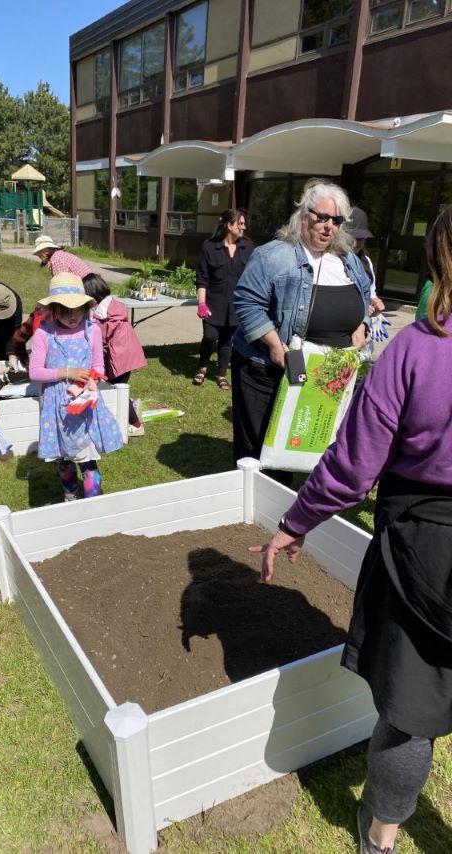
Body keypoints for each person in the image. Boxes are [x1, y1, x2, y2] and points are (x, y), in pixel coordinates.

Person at [250, 203, 452, 854]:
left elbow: (354, 465)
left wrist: (295, 523)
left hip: (425, 543)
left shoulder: (416, 351)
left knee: (411, 707)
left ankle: (380, 836)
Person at [231, 179, 371, 478]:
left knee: (310, 444)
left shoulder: (348, 260)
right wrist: (272, 344)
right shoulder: (274, 255)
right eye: (321, 217)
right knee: (263, 452)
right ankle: (255, 512)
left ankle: (293, 507)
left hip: (327, 374)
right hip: (271, 369)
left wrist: (363, 326)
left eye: (335, 220)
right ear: (303, 215)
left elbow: (365, 297)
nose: (328, 227)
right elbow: (245, 303)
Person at [27, 273, 124, 501]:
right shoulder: (44, 334)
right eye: (65, 311)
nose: (72, 317)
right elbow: (35, 372)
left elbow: (98, 363)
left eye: (77, 310)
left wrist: (94, 378)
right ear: (53, 309)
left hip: (84, 404)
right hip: (56, 405)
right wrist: (67, 373)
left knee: (88, 457)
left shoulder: (92, 330)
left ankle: (92, 502)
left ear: (85, 307)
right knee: (65, 458)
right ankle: (70, 498)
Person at [193, 208, 253, 389]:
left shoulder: (248, 247)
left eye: (244, 224)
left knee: (227, 342)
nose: (244, 227)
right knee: (210, 337)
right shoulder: (210, 247)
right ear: (229, 225)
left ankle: (221, 375)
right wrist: (201, 303)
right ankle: (202, 366)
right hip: (213, 304)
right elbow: (202, 278)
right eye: (240, 224)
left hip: (236, 306)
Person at [82, 274, 147, 436]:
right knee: (117, 388)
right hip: (125, 356)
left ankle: (136, 425)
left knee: (118, 390)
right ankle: (131, 407)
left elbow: (101, 343)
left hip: (120, 359)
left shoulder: (102, 316)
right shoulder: (112, 306)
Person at [345, 206, 385, 314]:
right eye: (353, 238)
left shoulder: (366, 261)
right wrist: (358, 308)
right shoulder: (330, 262)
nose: (358, 243)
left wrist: (374, 301)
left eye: (361, 238)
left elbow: (371, 291)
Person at [32, 235, 99, 288]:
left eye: (41, 251)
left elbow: (61, 286)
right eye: (38, 252)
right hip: (90, 285)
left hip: (88, 287)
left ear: (50, 249)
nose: (39, 255)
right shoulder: (59, 255)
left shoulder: (57, 259)